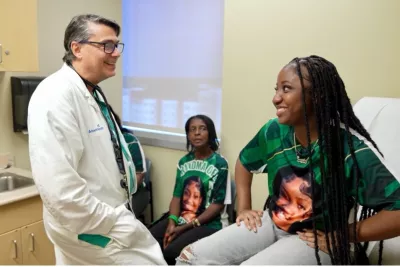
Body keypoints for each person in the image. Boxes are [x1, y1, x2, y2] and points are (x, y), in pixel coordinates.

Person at [175, 55, 400, 265]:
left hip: (314, 237)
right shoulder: (273, 131)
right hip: (274, 222)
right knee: (189, 257)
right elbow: (244, 163)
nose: (275, 98)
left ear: (318, 95)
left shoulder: (349, 149)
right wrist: (243, 208)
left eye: (287, 89)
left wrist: (343, 235)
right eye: (276, 89)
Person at [28, 14, 166, 265]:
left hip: (103, 218)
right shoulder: (54, 96)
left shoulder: (91, 93)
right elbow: (61, 192)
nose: (115, 53)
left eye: (116, 45)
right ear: (77, 48)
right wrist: (115, 221)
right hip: (93, 226)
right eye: (107, 45)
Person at [149, 114, 230, 265]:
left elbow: (217, 206)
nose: (197, 133)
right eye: (192, 130)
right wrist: (172, 223)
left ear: (210, 133)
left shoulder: (220, 163)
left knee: (171, 251)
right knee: (149, 240)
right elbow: (176, 197)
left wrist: (183, 228)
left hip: (209, 223)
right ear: (188, 135)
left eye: (202, 129)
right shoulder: (184, 161)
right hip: (182, 218)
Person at [109, 106, 151, 218]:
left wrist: (122, 194)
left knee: (116, 219)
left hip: (134, 193)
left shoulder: (129, 140)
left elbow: (139, 173)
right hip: (108, 193)